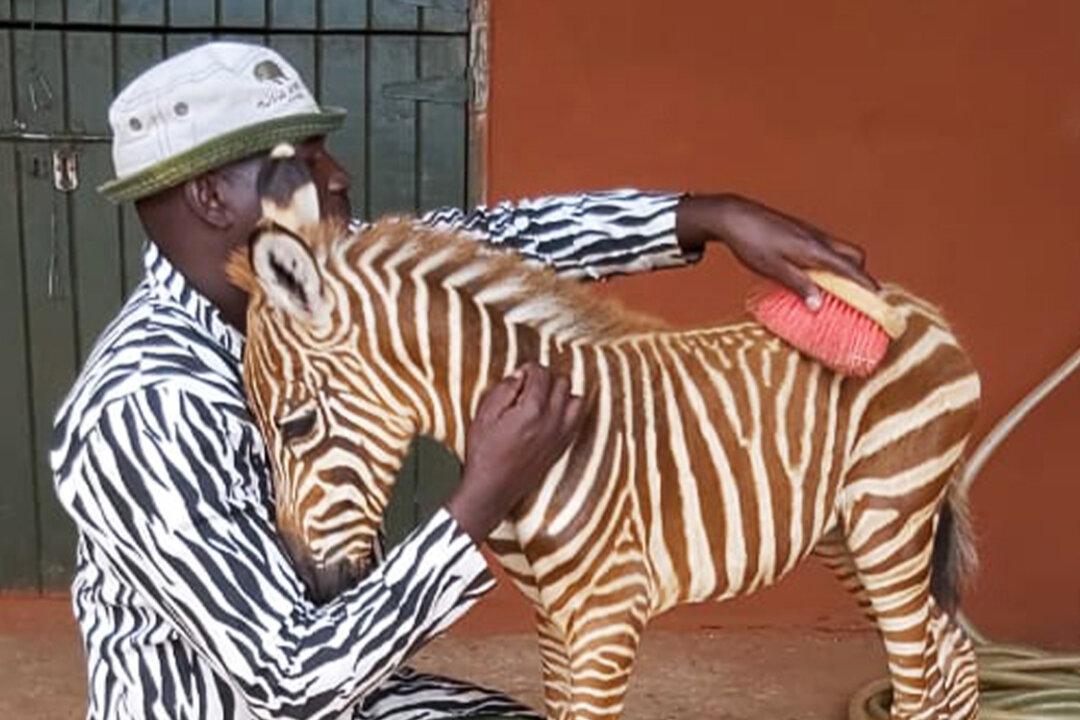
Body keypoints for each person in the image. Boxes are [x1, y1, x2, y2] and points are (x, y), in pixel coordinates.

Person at [51, 42, 876, 720]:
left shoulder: (322, 288)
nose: (336, 177)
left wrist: (709, 216)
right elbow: (290, 678)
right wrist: (482, 494)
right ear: (208, 196)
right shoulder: (145, 405)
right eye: (298, 162)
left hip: (359, 697)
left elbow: (494, 245)